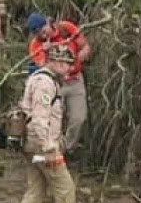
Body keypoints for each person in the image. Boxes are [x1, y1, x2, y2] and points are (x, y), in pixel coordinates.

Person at [10, 42, 78, 203]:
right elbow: (40, 119)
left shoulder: (38, 79)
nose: (68, 69)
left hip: (31, 146)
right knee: (65, 186)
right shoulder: (45, 83)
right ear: (55, 62)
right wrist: (49, 147)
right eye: (65, 64)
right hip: (41, 146)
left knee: (37, 187)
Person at [25, 12, 91, 152]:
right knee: (54, 120)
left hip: (74, 80)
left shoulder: (65, 28)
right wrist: (46, 52)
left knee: (78, 118)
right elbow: (43, 69)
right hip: (55, 85)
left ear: (49, 24)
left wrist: (83, 53)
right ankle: (54, 150)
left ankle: (66, 148)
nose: (43, 36)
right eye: (38, 34)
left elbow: (85, 46)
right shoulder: (36, 45)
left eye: (44, 31)